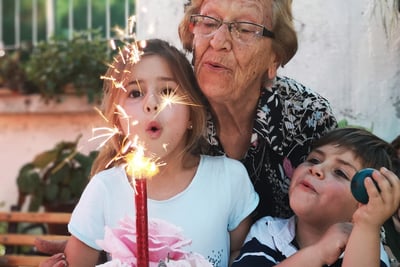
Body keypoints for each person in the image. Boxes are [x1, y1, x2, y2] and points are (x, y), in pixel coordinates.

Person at [51, 39, 258, 267]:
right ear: (118, 118)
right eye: (135, 93)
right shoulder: (104, 191)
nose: (151, 104)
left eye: (168, 91)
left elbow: (240, 253)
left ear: (191, 111)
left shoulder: (229, 179)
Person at [179, 0, 337, 220]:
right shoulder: (168, 108)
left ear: (275, 58)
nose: (218, 41)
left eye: (244, 29)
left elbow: (338, 217)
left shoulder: (307, 114)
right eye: (208, 22)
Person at [231, 127, 400, 267]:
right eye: (313, 160)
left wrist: (367, 224)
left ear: (364, 201)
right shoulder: (269, 232)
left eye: (340, 172)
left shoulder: (365, 249)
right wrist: (319, 253)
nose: (316, 169)